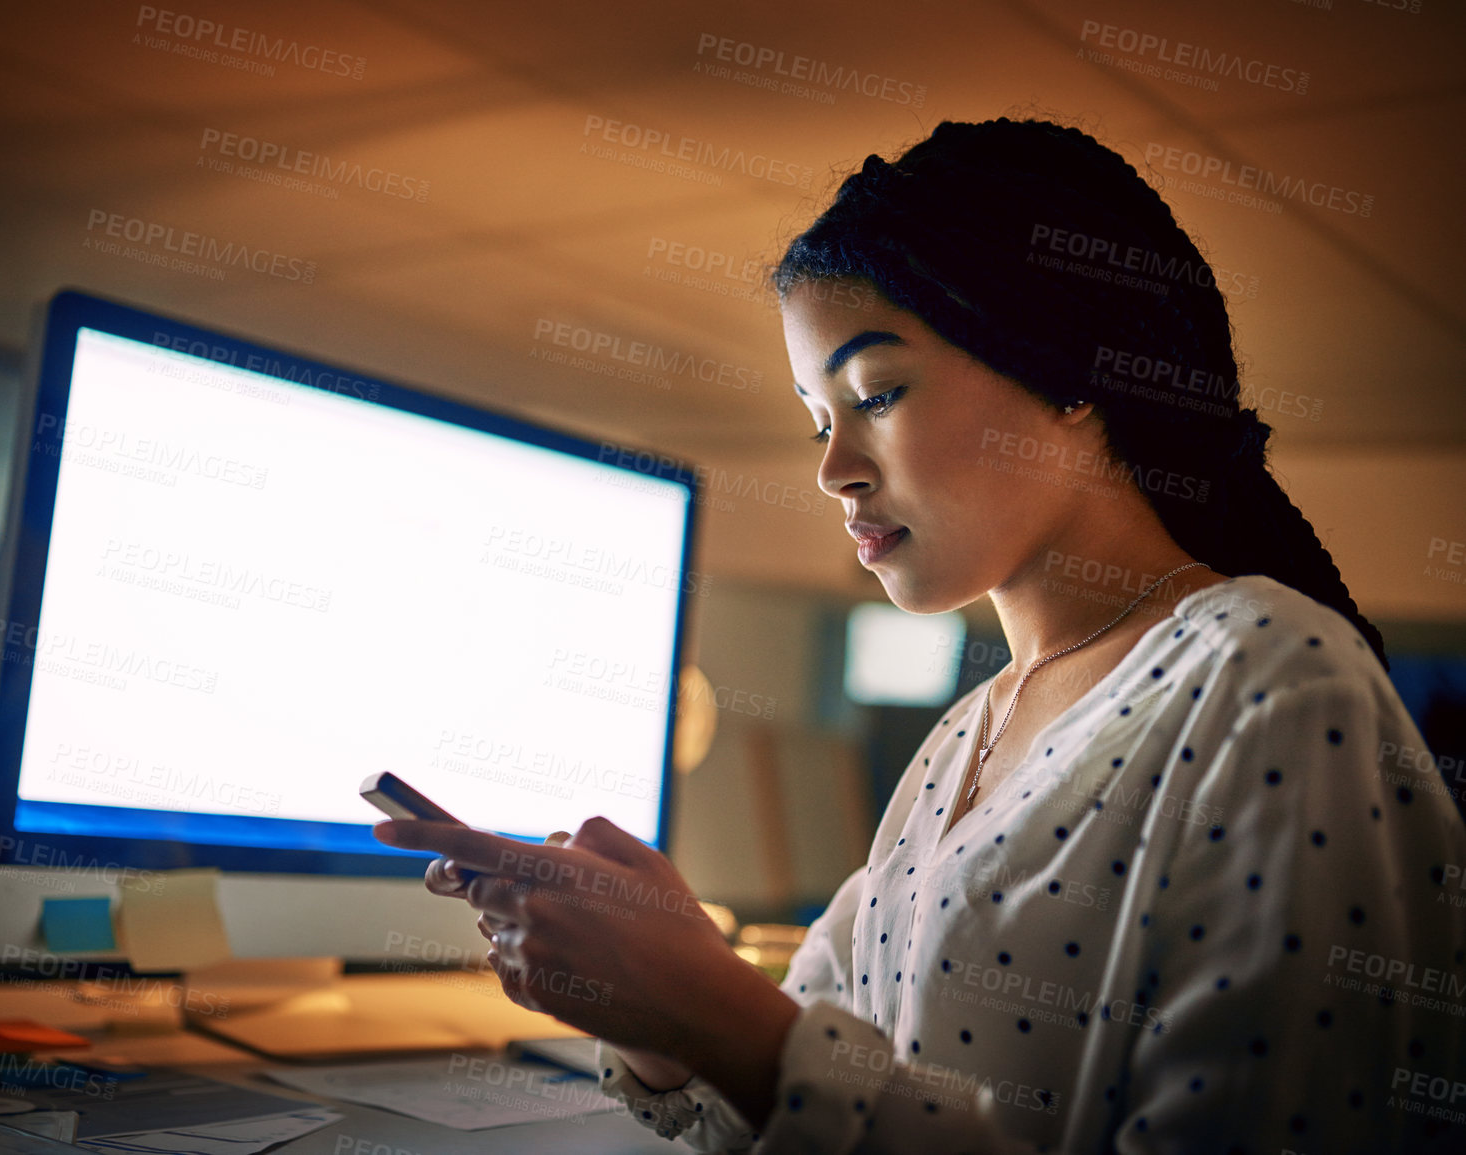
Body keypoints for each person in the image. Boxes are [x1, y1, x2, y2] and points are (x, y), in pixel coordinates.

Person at [372, 118, 1466, 1153]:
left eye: (877, 391)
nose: (831, 467)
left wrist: (713, 1006)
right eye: (817, 417)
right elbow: (791, 1099)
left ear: (1072, 371)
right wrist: (658, 1008)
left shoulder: (1269, 679)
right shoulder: (958, 746)